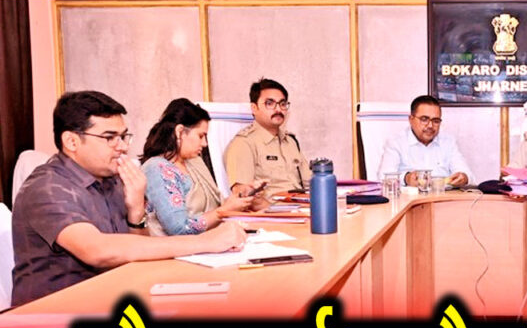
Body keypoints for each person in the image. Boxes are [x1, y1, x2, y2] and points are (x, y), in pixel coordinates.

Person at [11, 91, 246, 307]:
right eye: (110, 137)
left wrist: (136, 213)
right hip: (52, 312)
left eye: (123, 137)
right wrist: (205, 242)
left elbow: (135, 252)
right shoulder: (47, 187)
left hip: (112, 297)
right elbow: (97, 250)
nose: (122, 147)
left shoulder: (113, 178)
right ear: (72, 141)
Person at [141, 98, 253, 235]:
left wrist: (239, 198)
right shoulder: (156, 168)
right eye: (201, 136)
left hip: (212, 241)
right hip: (176, 247)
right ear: (180, 131)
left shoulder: (195, 162)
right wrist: (223, 211)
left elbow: (215, 204)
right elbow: (179, 228)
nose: (205, 143)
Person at [224, 78, 310, 200]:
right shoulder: (243, 143)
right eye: (270, 103)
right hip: (269, 209)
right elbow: (242, 195)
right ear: (254, 108)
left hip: (301, 205)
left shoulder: (291, 141)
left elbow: (310, 183)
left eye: (282, 104)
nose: (278, 109)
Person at [378, 95, 472, 187]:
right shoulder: (396, 143)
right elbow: (383, 177)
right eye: (424, 119)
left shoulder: (448, 142)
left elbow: (468, 175)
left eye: (436, 121)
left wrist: (464, 177)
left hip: (443, 195)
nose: (430, 125)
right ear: (411, 119)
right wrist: (406, 178)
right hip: (411, 196)